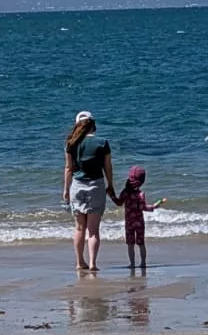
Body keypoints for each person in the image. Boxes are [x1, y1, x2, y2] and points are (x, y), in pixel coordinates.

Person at [63, 111, 116, 272]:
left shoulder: (71, 143)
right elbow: (107, 167)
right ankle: (93, 263)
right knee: (93, 230)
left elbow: (68, 169)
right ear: (93, 125)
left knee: (79, 228)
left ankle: (80, 262)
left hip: (77, 186)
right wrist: (111, 185)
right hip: (96, 186)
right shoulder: (103, 142)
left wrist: (66, 190)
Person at [114, 164, 165, 271]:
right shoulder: (141, 194)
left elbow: (119, 203)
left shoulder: (125, 192)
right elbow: (143, 207)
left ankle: (132, 264)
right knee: (141, 243)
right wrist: (154, 206)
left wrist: (111, 195)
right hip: (139, 222)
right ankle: (143, 263)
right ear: (142, 181)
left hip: (129, 223)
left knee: (130, 244)